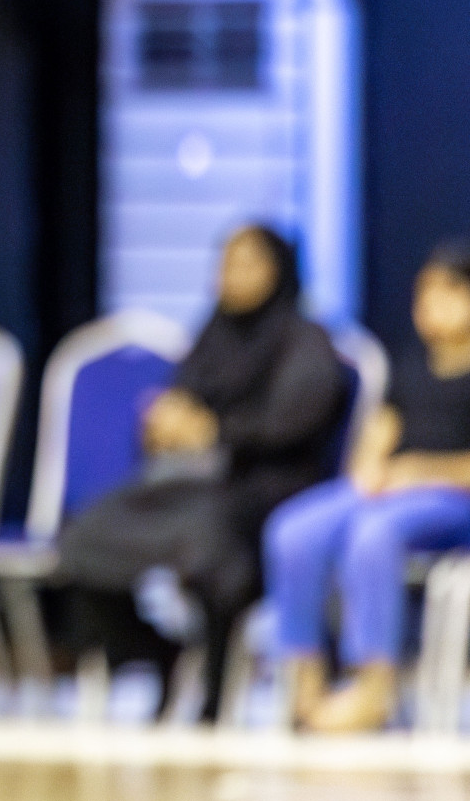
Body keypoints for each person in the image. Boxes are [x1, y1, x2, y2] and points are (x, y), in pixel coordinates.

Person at [57, 225, 348, 722]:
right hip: (189, 484)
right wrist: (165, 421)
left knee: (212, 540)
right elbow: (183, 406)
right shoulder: (212, 336)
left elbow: (294, 423)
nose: (232, 276)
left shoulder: (306, 340)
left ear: (278, 269)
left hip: (268, 490)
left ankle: (214, 698)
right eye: (226, 263)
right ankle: (154, 651)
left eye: (248, 263)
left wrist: (216, 431)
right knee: (86, 534)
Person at [266, 241, 470, 732]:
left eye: (446, 294)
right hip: (390, 492)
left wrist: (419, 471)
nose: (429, 307)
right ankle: (305, 678)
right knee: (294, 529)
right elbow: (377, 435)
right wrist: (370, 470)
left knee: (372, 536)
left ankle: (374, 682)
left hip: (451, 499)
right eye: (423, 295)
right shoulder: (407, 367)